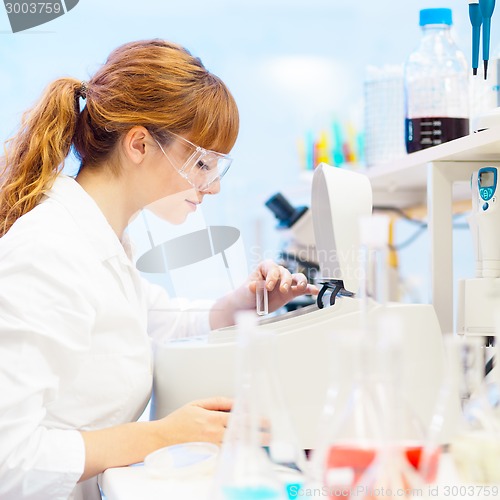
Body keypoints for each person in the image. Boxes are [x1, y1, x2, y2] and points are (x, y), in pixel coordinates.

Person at [0, 39, 316, 500]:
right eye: (201, 163)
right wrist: (165, 434)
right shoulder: (50, 251)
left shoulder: (102, 238)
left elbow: (148, 320)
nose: (210, 188)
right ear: (140, 144)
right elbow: (9, 459)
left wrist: (237, 306)